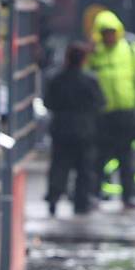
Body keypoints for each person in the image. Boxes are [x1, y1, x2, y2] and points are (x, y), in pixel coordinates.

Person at [85, 11, 135, 210]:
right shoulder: (94, 54)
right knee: (98, 158)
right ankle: (94, 194)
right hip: (102, 115)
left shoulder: (131, 50)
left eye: (112, 32)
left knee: (126, 158)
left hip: (126, 113)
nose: (109, 36)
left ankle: (129, 196)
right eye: (105, 32)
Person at [44, 42, 106, 216]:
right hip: (85, 130)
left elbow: (48, 102)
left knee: (59, 166)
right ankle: (81, 203)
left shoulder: (56, 79)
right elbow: (100, 103)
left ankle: (54, 198)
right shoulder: (90, 80)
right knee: (84, 168)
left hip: (61, 129)